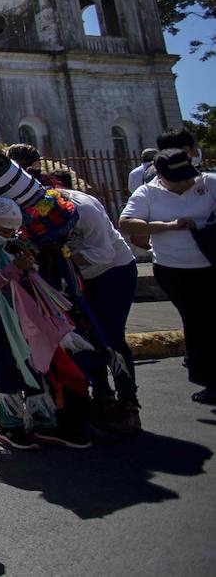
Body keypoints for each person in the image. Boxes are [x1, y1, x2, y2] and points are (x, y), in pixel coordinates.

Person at [120, 149, 216, 404]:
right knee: (196, 322)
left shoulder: (208, 183)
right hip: (174, 269)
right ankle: (209, 380)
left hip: (210, 264)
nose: (185, 182)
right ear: (160, 175)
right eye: (178, 178)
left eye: (187, 176)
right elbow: (127, 223)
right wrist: (169, 226)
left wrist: (204, 227)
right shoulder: (147, 193)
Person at [62, 185, 141, 431]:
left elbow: (104, 253)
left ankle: (129, 404)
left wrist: (63, 258)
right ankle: (102, 395)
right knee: (85, 336)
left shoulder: (83, 208)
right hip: (77, 279)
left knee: (111, 336)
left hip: (112, 272)